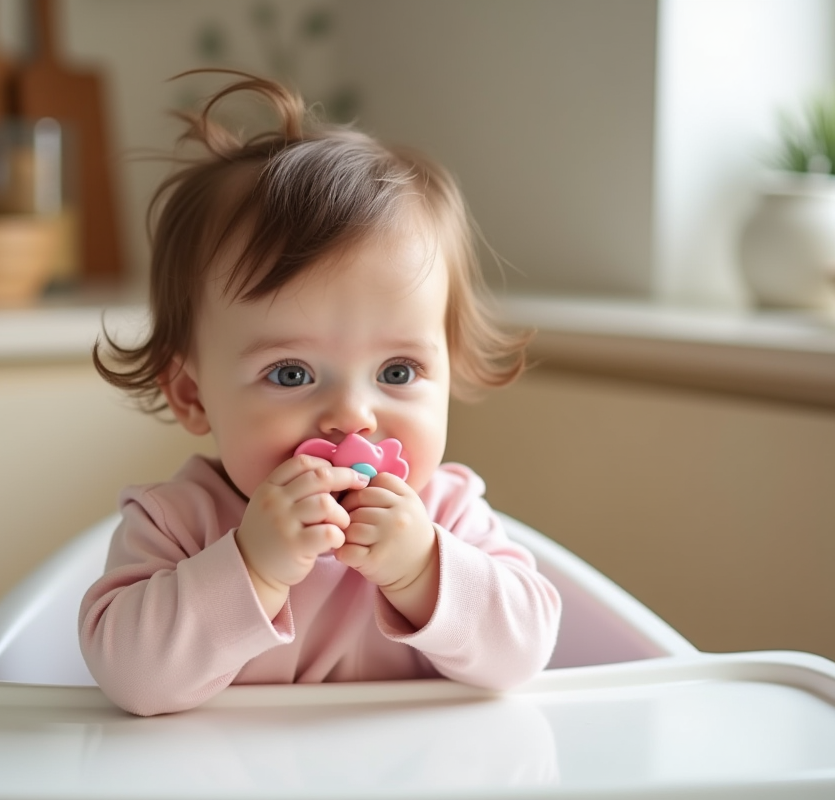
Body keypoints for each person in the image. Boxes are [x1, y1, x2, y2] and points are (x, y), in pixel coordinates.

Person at [80, 70, 562, 716]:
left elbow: (523, 653)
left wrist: (422, 570)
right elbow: (131, 678)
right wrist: (253, 565)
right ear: (193, 395)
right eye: (291, 374)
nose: (352, 417)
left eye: (396, 372)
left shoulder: (446, 514)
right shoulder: (177, 525)